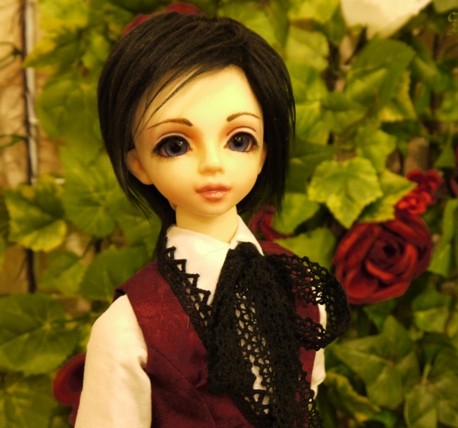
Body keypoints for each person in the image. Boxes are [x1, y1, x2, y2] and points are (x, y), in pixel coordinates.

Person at [69, 10, 350, 427]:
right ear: (137, 164)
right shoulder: (129, 328)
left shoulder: (301, 287)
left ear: (265, 151)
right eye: (175, 145)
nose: (212, 164)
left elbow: (309, 395)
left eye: (240, 140)